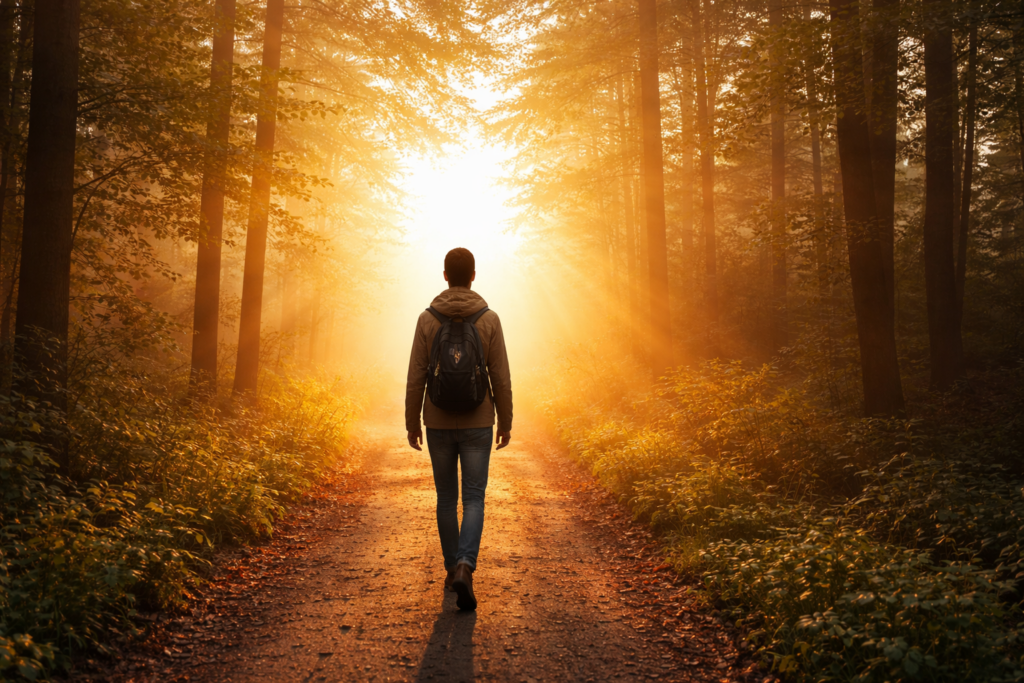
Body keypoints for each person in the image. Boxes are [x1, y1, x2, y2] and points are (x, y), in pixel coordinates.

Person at [405, 247, 513, 611]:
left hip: (437, 420)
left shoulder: (427, 318)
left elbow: (416, 374)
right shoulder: (489, 318)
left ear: (445, 276)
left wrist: (412, 421)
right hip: (478, 420)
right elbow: (500, 375)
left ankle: (452, 569)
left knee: (446, 498)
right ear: (474, 276)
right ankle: (467, 564)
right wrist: (506, 420)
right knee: (474, 498)